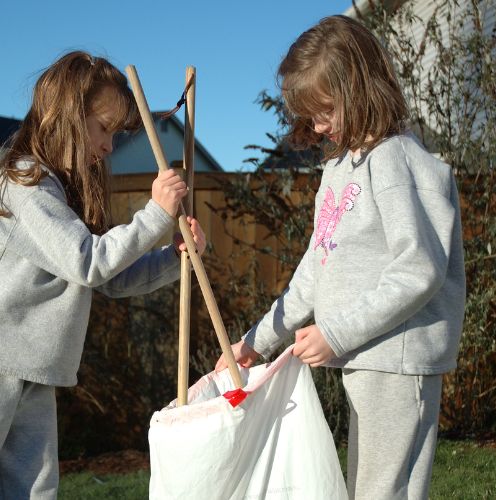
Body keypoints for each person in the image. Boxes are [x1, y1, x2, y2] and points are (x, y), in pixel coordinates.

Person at [216, 15, 466, 500]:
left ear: (362, 88)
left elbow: (421, 269)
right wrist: (256, 341)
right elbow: (315, 271)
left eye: (325, 110)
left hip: (399, 362)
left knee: (386, 491)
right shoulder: (340, 170)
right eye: (309, 115)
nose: (317, 125)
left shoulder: (394, 161)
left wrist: (335, 333)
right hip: (367, 360)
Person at [0, 51, 206, 499]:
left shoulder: (58, 192)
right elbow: (87, 261)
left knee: (34, 488)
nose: (109, 145)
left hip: (32, 369)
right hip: (3, 363)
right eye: (104, 128)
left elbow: (109, 277)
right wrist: (154, 214)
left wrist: (175, 257)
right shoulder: (25, 184)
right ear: (66, 116)